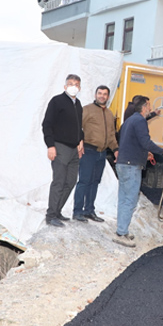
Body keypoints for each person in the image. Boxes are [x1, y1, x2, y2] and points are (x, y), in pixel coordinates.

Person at [114, 96, 163, 247]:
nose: (150, 108)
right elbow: (146, 142)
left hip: (123, 163)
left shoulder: (130, 121)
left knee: (123, 198)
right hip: (131, 166)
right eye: (148, 106)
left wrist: (143, 154)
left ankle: (121, 230)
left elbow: (132, 142)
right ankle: (121, 232)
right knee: (130, 199)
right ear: (144, 107)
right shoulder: (140, 121)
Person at [42, 74, 85, 227]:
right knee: (59, 182)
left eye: (76, 84)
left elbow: (79, 126)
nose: (74, 86)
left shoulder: (78, 104)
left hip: (74, 150)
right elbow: (47, 124)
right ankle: (51, 215)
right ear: (65, 86)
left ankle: (58, 210)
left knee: (71, 181)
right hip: (60, 147)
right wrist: (50, 145)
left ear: (79, 88)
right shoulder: (57, 101)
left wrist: (81, 140)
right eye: (71, 83)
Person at [73, 85, 118, 222]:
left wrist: (116, 150)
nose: (102, 96)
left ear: (108, 97)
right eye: (99, 93)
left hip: (102, 153)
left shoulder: (110, 114)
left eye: (104, 94)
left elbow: (111, 135)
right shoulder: (87, 110)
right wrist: (78, 142)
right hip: (88, 151)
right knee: (84, 181)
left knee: (94, 182)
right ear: (95, 95)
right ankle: (77, 211)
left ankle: (89, 210)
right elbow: (77, 126)